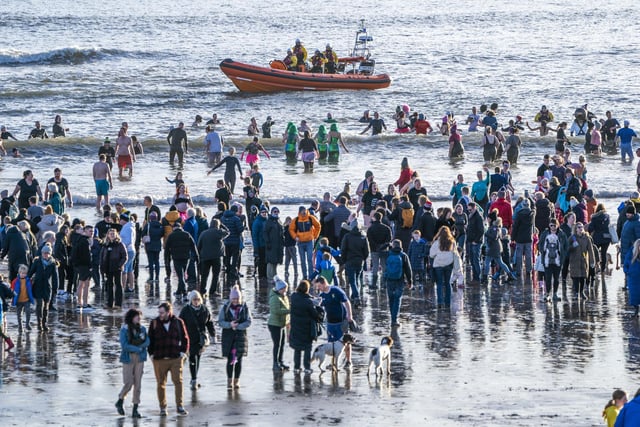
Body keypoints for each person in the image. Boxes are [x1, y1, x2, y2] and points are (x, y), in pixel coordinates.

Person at [148, 302, 189, 417]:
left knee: (178, 382)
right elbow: (149, 340)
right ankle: (162, 407)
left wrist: (183, 353)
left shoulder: (178, 322)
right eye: (159, 312)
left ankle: (180, 406)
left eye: (162, 312)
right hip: (159, 359)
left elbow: (185, 339)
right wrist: (151, 354)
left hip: (175, 358)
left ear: (168, 312)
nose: (160, 315)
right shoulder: (154, 323)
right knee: (161, 383)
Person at [115, 308, 149, 419]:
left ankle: (135, 408)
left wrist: (139, 348)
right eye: (136, 316)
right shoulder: (124, 330)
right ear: (131, 317)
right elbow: (124, 345)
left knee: (138, 384)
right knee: (128, 382)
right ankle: (120, 399)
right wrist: (137, 348)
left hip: (140, 358)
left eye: (139, 316)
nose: (139, 318)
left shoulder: (142, 328)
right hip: (128, 358)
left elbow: (148, 341)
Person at [179, 291, 216, 390]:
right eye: (194, 299)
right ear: (191, 300)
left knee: (198, 357)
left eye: (198, 299)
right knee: (192, 357)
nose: (196, 301)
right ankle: (194, 379)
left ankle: (194, 377)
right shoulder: (186, 310)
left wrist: (213, 335)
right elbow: (180, 323)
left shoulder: (204, 309)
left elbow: (209, 323)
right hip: (189, 337)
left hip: (201, 338)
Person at [315, 276, 353, 368]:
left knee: (345, 342)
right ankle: (333, 364)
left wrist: (349, 315)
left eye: (319, 286)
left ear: (324, 283)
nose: (318, 288)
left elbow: (347, 302)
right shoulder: (322, 295)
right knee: (332, 344)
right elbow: (318, 307)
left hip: (341, 321)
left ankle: (348, 361)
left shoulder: (336, 290)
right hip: (330, 323)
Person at [218, 285, 252, 389]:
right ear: (230, 298)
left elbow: (249, 321)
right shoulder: (225, 307)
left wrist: (238, 326)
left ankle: (237, 381)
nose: (235, 301)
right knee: (230, 360)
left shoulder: (245, 307)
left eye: (237, 298)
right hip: (228, 337)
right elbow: (220, 322)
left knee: (239, 360)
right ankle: (229, 381)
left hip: (241, 337)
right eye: (233, 299)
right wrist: (230, 325)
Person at [290, 279, 323, 374]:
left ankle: (296, 368)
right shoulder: (308, 302)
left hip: (296, 327)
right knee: (307, 348)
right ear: (307, 289)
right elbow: (315, 315)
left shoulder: (293, 297)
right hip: (306, 328)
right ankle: (307, 367)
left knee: (297, 349)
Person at [164, 222, 197, 299]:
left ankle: (185, 293)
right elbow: (193, 246)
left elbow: (167, 250)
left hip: (176, 258)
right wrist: (196, 256)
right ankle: (179, 292)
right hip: (186, 258)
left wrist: (167, 260)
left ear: (174, 228)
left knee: (180, 275)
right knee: (182, 274)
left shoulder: (171, 236)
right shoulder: (187, 234)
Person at [341, 220, 369, 307]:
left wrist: (344, 260)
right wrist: (363, 259)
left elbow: (343, 249)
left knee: (352, 281)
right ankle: (353, 297)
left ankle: (356, 297)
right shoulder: (363, 237)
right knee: (356, 280)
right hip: (360, 261)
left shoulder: (347, 236)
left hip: (350, 261)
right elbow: (367, 251)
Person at [197, 219, 228, 297]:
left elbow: (199, 245)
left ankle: (202, 290)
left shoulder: (203, 233)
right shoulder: (219, 232)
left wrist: (199, 256)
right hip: (216, 257)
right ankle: (212, 291)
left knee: (204, 275)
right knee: (216, 275)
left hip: (205, 257)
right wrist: (222, 225)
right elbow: (228, 232)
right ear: (218, 225)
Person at [384, 239, 412, 326]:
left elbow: (379, 251)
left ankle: (393, 317)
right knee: (397, 299)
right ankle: (394, 319)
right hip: (400, 280)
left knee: (391, 299)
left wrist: (387, 245)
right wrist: (410, 281)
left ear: (393, 245)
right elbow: (408, 269)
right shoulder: (403, 255)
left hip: (389, 280)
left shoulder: (388, 254)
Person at [289, 206, 321, 280]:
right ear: (299, 212)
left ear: (306, 211)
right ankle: (304, 276)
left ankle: (311, 276)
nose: (303, 213)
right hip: (300, 242)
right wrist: (295, 237)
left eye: (304, 211)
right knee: (302, 260)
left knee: (309, 259)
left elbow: (318, 226)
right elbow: (291, 229)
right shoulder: (296, 220)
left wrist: (315, 235)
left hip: (309, 241)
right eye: (302, 212)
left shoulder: (311, 218)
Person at [568, 222, 595, 300]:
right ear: (576, 229)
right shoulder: (572, 238)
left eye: (582, 227)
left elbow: (590, 250)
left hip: (583, 260)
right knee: (576, 277)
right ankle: (577, 292)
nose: (580, 229)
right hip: (574, 260)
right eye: (579, 227)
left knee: (583, 277)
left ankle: (581, 292)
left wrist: (592, 261)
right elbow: (567, 248)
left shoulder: (587, 238)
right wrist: (572, 246)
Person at [268, 277, 290, 372]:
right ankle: (275, 363)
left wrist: (288, 322)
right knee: (277, 344)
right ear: (279, 289)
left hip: (282, 324)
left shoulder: (283, 296)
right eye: (284, 288)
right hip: (275, 324)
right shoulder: (275, 298)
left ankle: (280, 361)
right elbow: (276, 311)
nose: (285, 290)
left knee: (282, 344)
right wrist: (290, 311)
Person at [101, 228, 127, 309]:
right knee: (109, 285)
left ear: (116, 235)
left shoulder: (120, 244)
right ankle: (109, 303)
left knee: (118, 285)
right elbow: (101, 257)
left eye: (113, 233)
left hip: (117, 267)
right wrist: (101, 267)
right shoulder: (105, 245)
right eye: (110, 233)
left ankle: (118, 304)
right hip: (107, 267)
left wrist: (119, 265)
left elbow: (125, 257)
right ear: (108, 235)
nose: (112, 235)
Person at [11, 264, 34, 332]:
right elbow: (11, 289)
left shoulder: (28, 280)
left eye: (24, 273)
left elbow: (31, 288)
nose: (23, 274)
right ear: (19, 273)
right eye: (21, 273)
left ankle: (27, 324)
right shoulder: (15, 281)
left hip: (26, 299)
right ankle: (20, 326)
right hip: (18, 300)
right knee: (19, 314)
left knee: (28, 312)